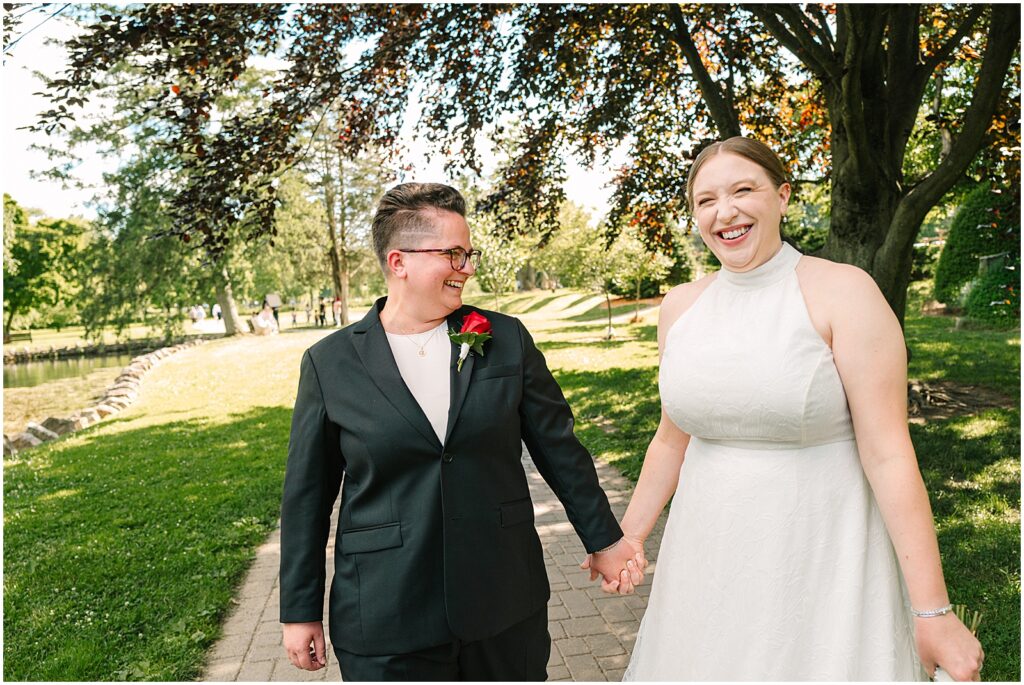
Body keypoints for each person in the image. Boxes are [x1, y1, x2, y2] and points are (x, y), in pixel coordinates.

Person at [614, 137, 984, 681]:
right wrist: (630, 536)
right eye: (706, 200)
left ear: (782, 196)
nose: (726, 212)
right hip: (706, 559)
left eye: (744, 190)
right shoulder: (680, 308)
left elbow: (889, 455)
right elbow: (672, 439)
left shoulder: (844, 292)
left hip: (820, 556)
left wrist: (933, 612)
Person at [279, 182, 644, 681]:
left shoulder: (506, 338)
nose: (467, 267)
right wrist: (299, 610)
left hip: (503, 602)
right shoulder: (329, 363)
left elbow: (560, 450)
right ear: (398, 261)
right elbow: (307, 496)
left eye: (468, 253)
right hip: (387, 614)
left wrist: (605, 541)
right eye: (452, 254)